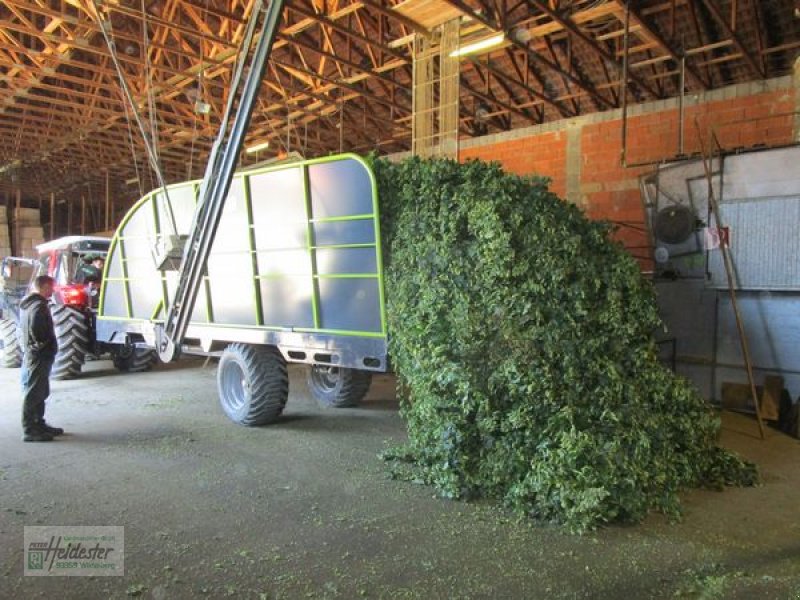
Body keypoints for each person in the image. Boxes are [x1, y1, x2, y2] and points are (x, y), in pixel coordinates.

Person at [19, 275, 63, 442]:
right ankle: (30, 429)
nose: (53, 290)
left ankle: (39, 423)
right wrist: (44, 343)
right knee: (34, 392)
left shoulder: (30, 303)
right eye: (52, 287)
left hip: (35, 353)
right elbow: (36, 328)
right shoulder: (38, 306)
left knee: (41, 390)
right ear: (45, 287)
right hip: (39, 355)